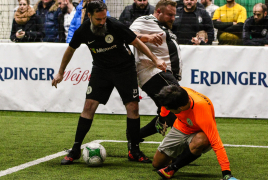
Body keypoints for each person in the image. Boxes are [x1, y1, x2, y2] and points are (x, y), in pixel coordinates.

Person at [52, 0, 167, 165]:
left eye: (104, 18)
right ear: (90, 16)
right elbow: (70, 50)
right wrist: (61, 72)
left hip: (125, 69)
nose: (102, 22)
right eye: (98, 19)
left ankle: (134, 150)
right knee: (88, 106)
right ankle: (76, 149)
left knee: (133, 107)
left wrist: (155, 60)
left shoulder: (114, 25)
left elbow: (137, 42)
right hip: (101, 71)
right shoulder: (83, 31)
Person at [152, 85, 238, 180]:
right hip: (180, 128)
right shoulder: (177, 93)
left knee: (201, 140)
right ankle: (182, 157)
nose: (168, 110)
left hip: (198, 134)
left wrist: (226, 173)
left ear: (180, 108)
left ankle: (172, 168)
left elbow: (216, 142)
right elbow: (165, 105)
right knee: (157, 164)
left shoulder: (202, 110)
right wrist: (161, 117)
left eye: (169, 109)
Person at [128, 0, 181, 150]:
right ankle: (175, 149)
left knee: (171, 115)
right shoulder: (146, 20)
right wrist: (147, 37)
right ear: (158, 12)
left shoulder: (164, 28)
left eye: (174, 15)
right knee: (180, 103)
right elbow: (128, 35)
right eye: (170, 15)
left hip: (164, 74)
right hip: (153, 72)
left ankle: (135, 136)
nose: (173, 18)